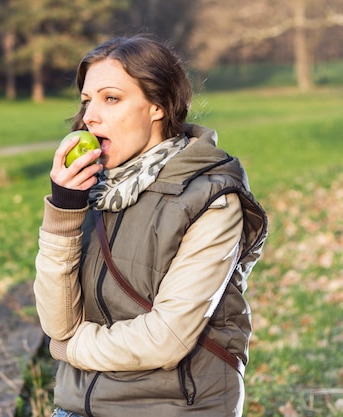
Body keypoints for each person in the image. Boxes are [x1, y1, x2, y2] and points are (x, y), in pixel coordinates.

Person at [33, 34, 268, 417]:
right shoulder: (94, 191)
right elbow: (58, 323)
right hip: (79, 404)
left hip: (173, 406)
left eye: (111, 98)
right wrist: (64, 210)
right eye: (86, 101)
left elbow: (166, 338)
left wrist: (70, 348)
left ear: (157, 105)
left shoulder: (211, 199)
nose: (90, 115)